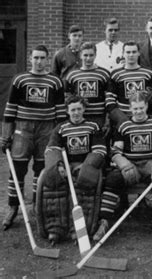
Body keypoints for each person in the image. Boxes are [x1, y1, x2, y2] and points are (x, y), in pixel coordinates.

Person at [93, 91, 152, 243]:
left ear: (146, 106)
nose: (138, 112)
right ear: (130, 109)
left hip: (150, 164)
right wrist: (123, 163)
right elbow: (115, 151)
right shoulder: (123, 125)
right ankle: (104, 222)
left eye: (141, 108)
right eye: (135, 109)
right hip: (131, 164)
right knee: (113, 179)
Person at [1, 45, 66, 230]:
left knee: (41, 169)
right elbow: (10, 108)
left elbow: (61, 112)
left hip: (46, 130)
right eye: (36, 58)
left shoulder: (55, 81)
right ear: (30, 58)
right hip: (23, 128)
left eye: (42, 58)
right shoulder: (20, 79)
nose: (39, 62)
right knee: (18, 169)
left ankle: (38, 208)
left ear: (48, 59)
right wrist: (6, 135)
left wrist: (59, 136)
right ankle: (13, 207)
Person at [37, 95, 106, 242]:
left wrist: (87, 165)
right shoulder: (61, 128)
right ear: (67, 111)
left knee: (84, 182)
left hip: (86, 165)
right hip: (66, 165)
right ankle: (55, 228)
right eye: (73, 110)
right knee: (53, 180)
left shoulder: (93, 127)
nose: (76, 113)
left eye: (79, 109)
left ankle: (80, 229)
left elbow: (99, 150)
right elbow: (51, 149)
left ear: (84, 109)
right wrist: (59, 165)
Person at [105, 40, 152, 123]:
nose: (131, 55)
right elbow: (110, 101)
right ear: (123, 54)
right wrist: (121, 119)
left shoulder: (148, 73)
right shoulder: (116, 74)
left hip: (144, 119)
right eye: (128, 52)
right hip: (123, 120)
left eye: (134, 52)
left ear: (139, 53)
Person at [64, 42, 109, 127]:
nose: (88, 58)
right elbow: (68, 98)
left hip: (99, 117)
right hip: (79, 117)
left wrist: (107, 119)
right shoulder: (72, 75)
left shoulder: (104, 74)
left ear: (95, 55)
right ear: (80, 55)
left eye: (91, 55)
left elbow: (108, 98)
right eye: (85, 55)